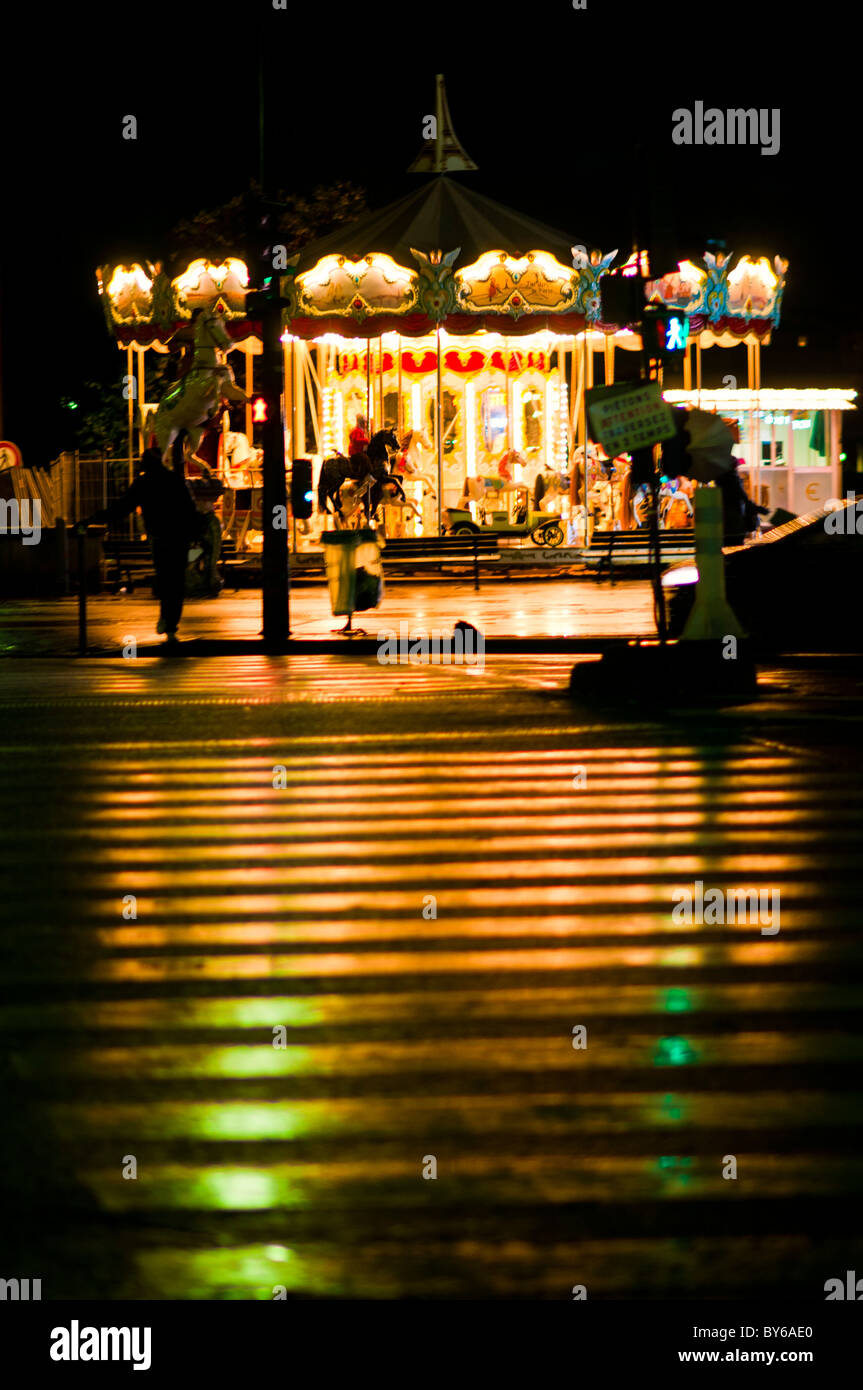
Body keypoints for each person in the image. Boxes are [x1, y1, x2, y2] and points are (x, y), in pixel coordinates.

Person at [89, 448, 199, 643]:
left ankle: (167, 619)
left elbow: (123, 507)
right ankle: (171, 622)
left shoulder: (144, 483)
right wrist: (193, 535)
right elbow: (189, 509)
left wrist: (97, 517)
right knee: (176, 581)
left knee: (165, 578)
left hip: (160, 537)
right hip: (179, 537)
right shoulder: (174, 480)